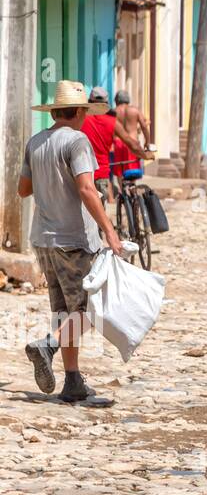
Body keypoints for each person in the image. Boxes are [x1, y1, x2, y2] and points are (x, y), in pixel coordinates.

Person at [19, 81, 125, 403]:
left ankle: (73, 381)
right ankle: (47, 347)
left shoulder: (36, 142)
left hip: (43, 240)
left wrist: (49, 183)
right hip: (73, 240)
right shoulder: (78, 141)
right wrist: (109, 229)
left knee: (65, 312)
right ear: (79, 111)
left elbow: (23, 190)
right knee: (92, 309)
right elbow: (87, 189)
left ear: (55, 111)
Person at [81, 87, 148, 206]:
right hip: (104, 169)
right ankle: (130, 196)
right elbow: (139, 130)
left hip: (83, 172)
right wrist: (147, 150)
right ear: (106, 103)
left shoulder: (81, 119)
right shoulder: (114, 120)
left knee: (120, 174)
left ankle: (122, 192)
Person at [113, 89, 151, 174]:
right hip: (132, 142)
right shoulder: (134, 110)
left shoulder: (114, 112)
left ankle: (121, 187)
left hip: (118, 142)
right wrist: (147, 142)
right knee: (132, 171)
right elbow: (144, 126)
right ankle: (131, 187)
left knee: (120, 170)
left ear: (116, 100)